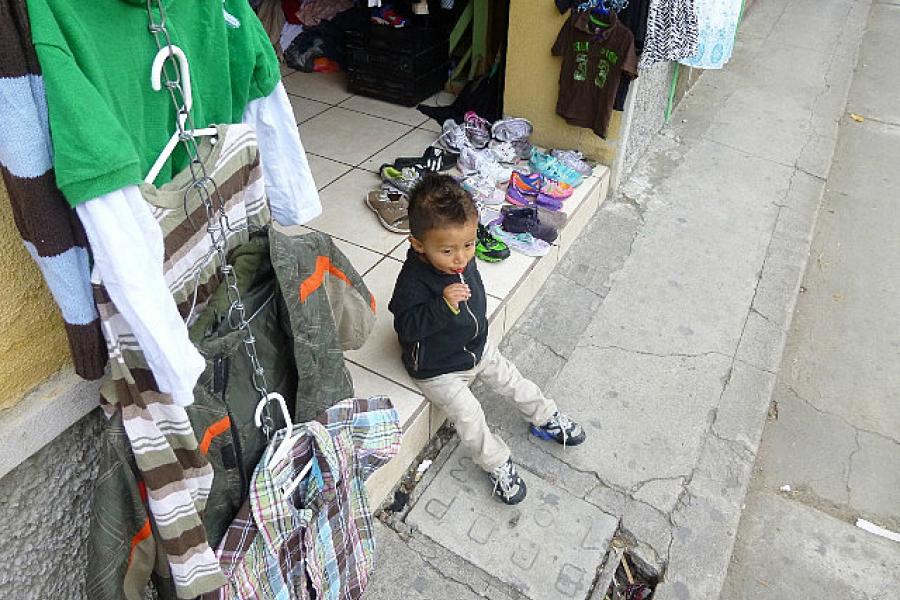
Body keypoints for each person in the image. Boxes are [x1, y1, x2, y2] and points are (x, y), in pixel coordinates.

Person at [388, 174, 586, 505]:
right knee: (469, 414)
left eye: (468, 245)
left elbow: (474, 291)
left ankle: (544, 416)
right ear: (418, 244)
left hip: (475, 347)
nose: (461, 258)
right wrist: (442, 306)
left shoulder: (463, 258)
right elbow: (406, 327)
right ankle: (496, 462)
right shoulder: (413, 281)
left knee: (513, 379)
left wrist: (476, 330)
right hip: (438, 369)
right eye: (448, 250)